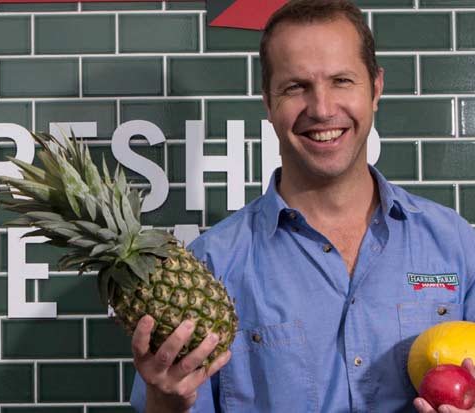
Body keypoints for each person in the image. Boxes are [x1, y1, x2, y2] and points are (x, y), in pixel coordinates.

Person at [128, 0, 475, 412]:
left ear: (376, 88)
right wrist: (165, 402)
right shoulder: (213, 266)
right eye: (296, 87)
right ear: (268, 101)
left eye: (342, 80)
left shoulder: (454, 244)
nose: (323, 109)